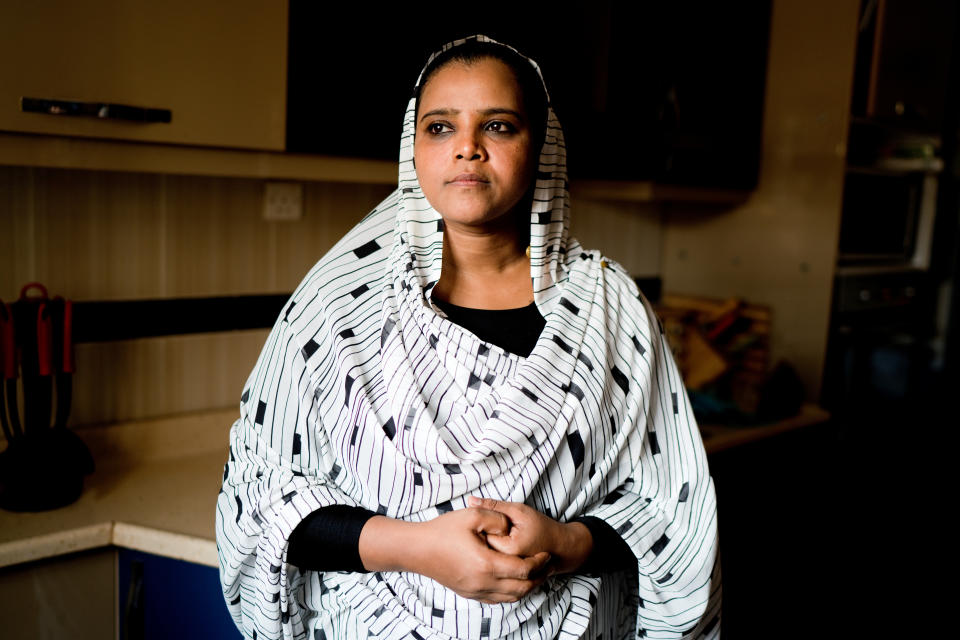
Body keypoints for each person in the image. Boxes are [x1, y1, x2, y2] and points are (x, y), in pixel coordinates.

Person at [216, 35, 721, 640]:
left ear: (541, 148)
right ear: (413, 147)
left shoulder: (611, 309)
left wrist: (566, 542)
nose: (467, 148)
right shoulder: (338, 307)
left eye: (500, 126)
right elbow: (260, 499)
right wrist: (418, 548)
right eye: (439, 127)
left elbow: (672, 510)